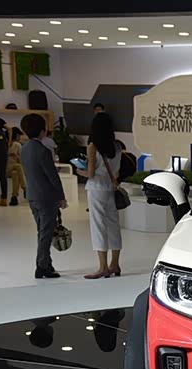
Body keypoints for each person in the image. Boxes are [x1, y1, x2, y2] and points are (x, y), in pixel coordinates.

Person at [19, 113, 67, 279]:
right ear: (42, 130)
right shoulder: (43, 151)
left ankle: (46, 262)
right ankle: (42, 266)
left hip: (32, 195)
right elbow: (53, 177)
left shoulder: (24, 149)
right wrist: (61, 196)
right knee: (46, 232)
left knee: (42, 231)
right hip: (46, 197)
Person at [77, 112, 122, 279]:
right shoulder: (117, 146)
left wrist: (78, 170)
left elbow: (90, 173)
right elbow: (116, 172)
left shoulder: (93, 146)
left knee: (98, 226)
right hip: (110, 188)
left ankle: (103, 267)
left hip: (96, 189)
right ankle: (114, 264)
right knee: (113, 225)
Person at [7, 127, 26, 205]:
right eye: (18, 135)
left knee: (15, 173)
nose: (19, 137)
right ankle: (25, 188)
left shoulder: (7, 144)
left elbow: (20, 159)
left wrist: (16, 156)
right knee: (18, 166)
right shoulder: (16, 145)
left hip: (11, 169)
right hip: (7, 168)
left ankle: (14, 197)